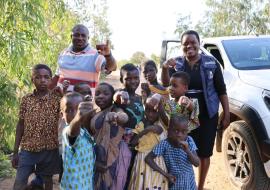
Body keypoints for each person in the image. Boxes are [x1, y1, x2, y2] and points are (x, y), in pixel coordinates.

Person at [161, 29, 230, 190]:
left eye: (193, 42)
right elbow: (165, 84)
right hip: (182, 116)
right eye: (185, 43)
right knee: (181, 149)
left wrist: (226, 114)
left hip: (207, 115)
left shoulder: (211, 63)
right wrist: (165, 68)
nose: (189, 46)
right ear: (181, 46)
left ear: (199, 44)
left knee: (205, 152)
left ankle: (199, 187)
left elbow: (221, 90)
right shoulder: (176, 64)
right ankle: (183, 184)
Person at [12, 64, 62, 190]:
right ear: (32, 79)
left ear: (51, 79)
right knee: (19, 182)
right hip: (28, 149)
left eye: (46, 77)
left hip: (49, 149)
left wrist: (63, 93)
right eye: (38, 77)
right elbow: (21, 124)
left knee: (46, 182)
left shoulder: (57, 99)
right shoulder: (26, 100)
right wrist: (15, 152)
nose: (43, 80)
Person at [50, 24, 117, 95]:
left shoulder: (96, 55)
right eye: (76, 35)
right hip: (61, 101)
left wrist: (108, 55)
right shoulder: (63, 53)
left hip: (83, 104)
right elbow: (57, 77)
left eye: (83, 35)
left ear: (88, 38)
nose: (80, 38)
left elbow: (112, 68)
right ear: (71, 36)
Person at [90, 82, 130, 190]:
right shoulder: (95, 112)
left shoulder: (115, 109)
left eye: (106, 93)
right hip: (95, 157)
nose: (101, 96)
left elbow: (124, 117)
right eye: (97, 93)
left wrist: (116, 117)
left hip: (111, 159)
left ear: (112, 97)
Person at [145, 115, 200, 190]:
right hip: (174, 182)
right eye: (176, 131)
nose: (179, 135)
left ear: (187, 132)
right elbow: (148, 159)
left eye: (183, 131)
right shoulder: (165, 144)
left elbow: (197, 163)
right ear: (168, 131)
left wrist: (187, 151)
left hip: (189, 182)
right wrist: (165, 174)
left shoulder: (189, 140)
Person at [113, 63, 144, 188]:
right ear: (121, 80)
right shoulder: (121, 95)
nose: (133, 81)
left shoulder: (139, 98)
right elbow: (116, 98)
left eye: (136, 78)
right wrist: (119, 97)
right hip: (122, 141)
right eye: (128, 78)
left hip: (138, 140)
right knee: (121, 171)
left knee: (133, 170)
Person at [128, 96, 168, 190]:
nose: (150, 114)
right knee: (140, 184)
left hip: (157, 161)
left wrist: (161, 108)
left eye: (154, 111)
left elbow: (167, 121)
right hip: (140, 161)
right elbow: (133, 143)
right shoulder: (141, 124)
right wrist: (146, 130)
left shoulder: (161, 125)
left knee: (155, 184)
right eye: (147, 110)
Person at [60, 92, 96, 189]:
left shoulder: (84, 130)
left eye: (79, 109)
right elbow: (72, 132)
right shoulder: (68, 130)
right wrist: (78, 118)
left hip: (85, 183)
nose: (75, 113)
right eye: (70, 110)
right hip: (74, 186)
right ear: (62, 114)